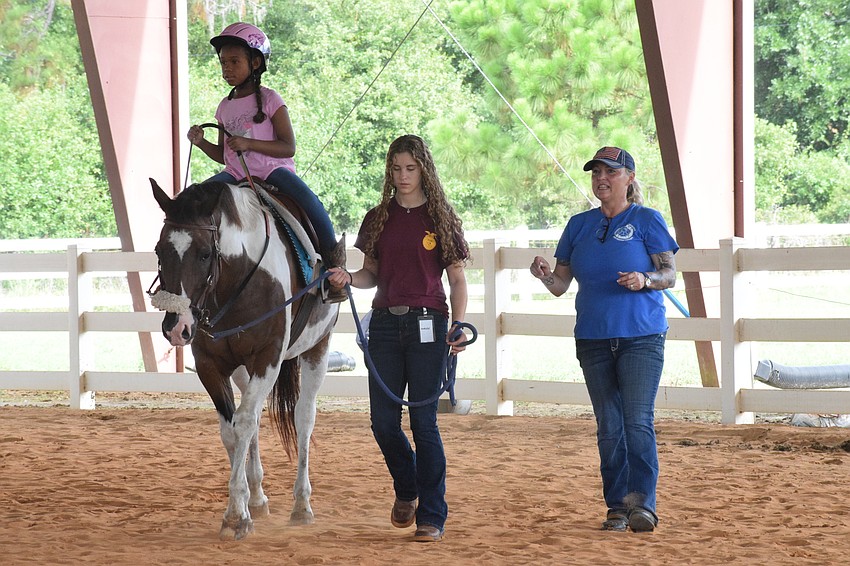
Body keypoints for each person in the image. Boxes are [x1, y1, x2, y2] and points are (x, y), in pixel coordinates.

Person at [327, 134, 469, 542]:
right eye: (396, 168)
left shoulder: (441, 218)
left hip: (430, 325)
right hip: (386, 325)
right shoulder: (378, 218)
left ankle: (432, 513)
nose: (402, 176)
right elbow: (370, 273)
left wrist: (457, 325)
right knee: (383, 422)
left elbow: (456, 279)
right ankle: (408, 487)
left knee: (424, 423)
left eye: (410, 168)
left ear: (423, 168)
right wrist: (349, 278)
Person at [529, 146, 679, 533]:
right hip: (593, 338)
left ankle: (643, 504)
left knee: (637, 421)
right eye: (596, 172)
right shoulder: (579, 225)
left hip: (641, 336)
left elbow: (669, 274)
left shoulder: (647, 219)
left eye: (610, 172)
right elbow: (561, 285)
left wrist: (645, 280)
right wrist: (544, 274)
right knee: (609, 425)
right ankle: (617, 506)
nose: (601, 179)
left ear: (629, 178)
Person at [186, 22, 345, 302]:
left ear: (255, 62)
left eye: (235, 61)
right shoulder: (224, 106)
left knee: (310, 203)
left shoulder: (271, 99)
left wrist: (249, 144)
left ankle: (335, 267)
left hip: (273, 172)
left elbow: (288, 147)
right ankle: (189, 266)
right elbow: (224, 155)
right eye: (223, 62)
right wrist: (200, 144)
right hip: (234, 174)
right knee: (192, 200)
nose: (227, 68)